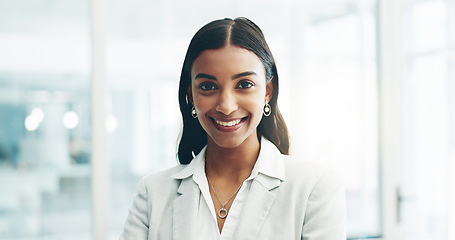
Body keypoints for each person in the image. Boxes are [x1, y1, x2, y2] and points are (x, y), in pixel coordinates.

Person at [120, 17, 346, 240]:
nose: (226, 106)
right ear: (191, 95)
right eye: (208, 87)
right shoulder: (153, 193)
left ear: (267, 91)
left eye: (244, 85)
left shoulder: (313, 187)